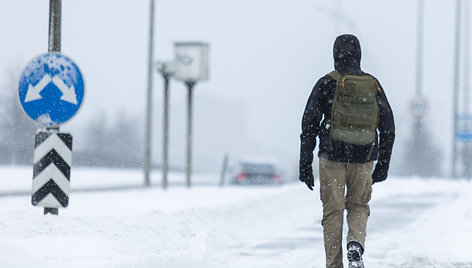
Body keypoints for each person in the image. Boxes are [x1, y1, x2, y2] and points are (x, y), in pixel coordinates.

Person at [299, 34, 395, 268]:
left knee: (333, 211)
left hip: (331, 157)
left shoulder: (326, 83)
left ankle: (334, 264)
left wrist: (304, 163)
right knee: (358, 205)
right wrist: (382, 164)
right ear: (360, 56)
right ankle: (355, 243)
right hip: (363, 158)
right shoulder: (373, 84)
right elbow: (388, 127)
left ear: (335, 55)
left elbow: (309, 125)